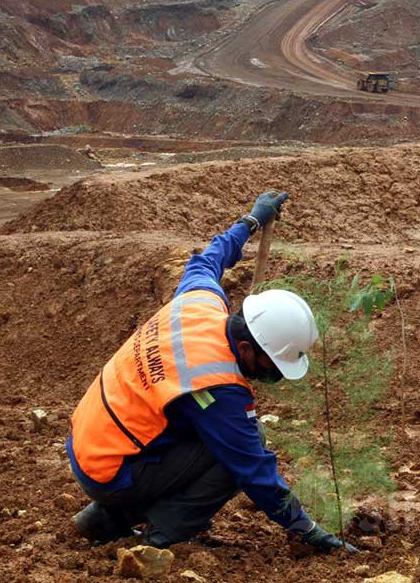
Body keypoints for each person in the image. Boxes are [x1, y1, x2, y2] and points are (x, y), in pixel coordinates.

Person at [67, 191, 356, 553]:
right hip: (110, 471)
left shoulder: (201, 302)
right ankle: (159, 535)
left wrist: (250, 223)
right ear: (248, 349)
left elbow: (210, 259)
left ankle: (105, 519)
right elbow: (256, 474)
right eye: (272, 365)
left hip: (90, 442)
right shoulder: (218, 386)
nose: (275, 376)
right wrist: (310, 531)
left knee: (203, 431)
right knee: (236, 454)